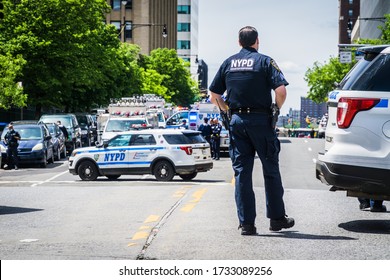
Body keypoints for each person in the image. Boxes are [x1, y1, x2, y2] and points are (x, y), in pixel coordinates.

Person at [209, 26, 294, 235]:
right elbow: (281, 91)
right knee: (270, 170)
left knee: (242, 173)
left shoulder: (228, 63)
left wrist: (228, 111)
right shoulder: (265, 61)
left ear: (239, 42)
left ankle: (246, 224)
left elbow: (214, 95)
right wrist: (276, 109)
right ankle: (276, 219)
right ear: (257, 41)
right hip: (261, 121)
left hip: (237, 122)